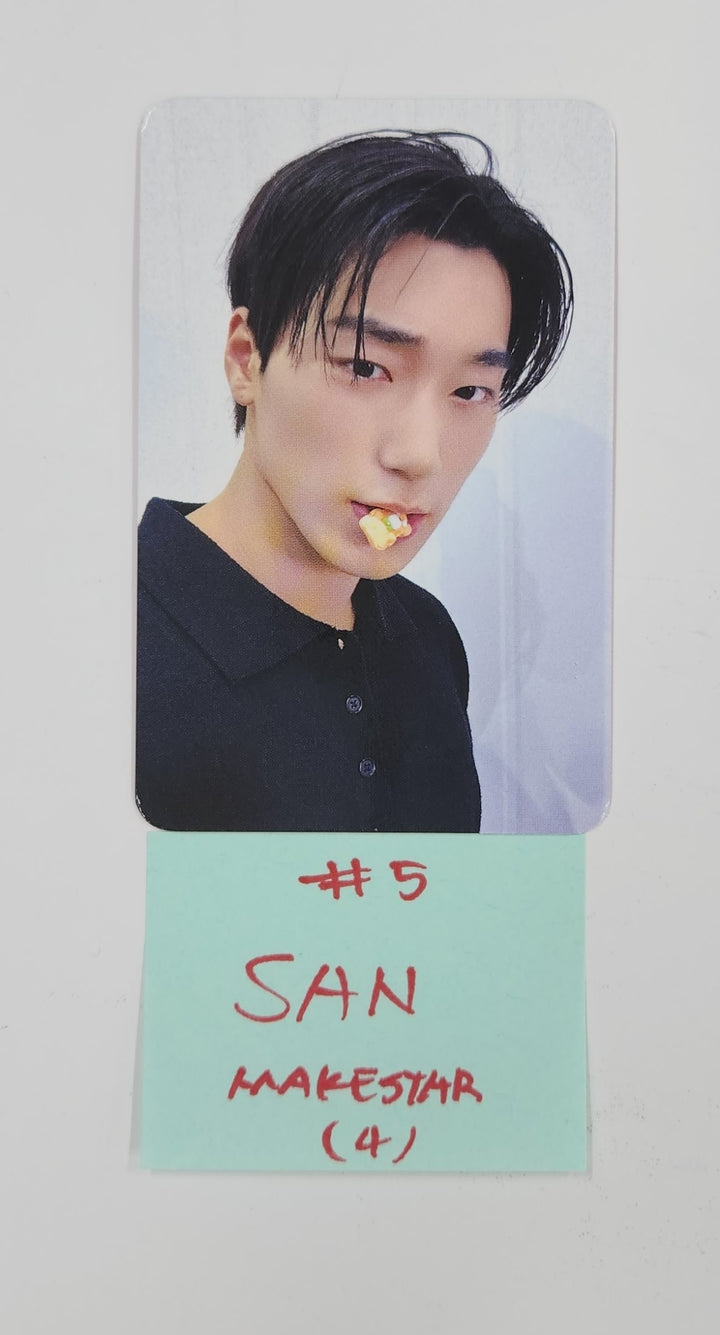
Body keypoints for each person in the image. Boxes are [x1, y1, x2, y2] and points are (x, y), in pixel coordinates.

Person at [136, 130, 572, 832]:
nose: (421, 455)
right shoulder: (110, 637)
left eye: (470, 391)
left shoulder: (426, 634)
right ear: (247, 360)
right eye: (366, 368)